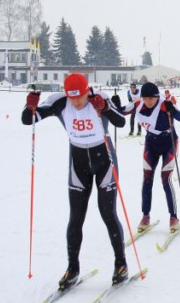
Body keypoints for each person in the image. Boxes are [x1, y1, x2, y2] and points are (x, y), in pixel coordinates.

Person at [21, 73, 129, 288]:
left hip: (104, 160)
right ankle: (72, 268)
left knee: (108, 213)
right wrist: (29, 107)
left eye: (79, 97)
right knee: (76, 217)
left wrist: (105, 108)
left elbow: (121, 122)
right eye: (72, 98)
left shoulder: (99, 97)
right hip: (78, 164)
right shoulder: (59, 102)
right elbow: (28, 120)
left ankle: (121, 263)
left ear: (86, 91)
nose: (77, 102)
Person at [122, 82, 180, 233]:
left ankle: (173, 217)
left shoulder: (164, 104)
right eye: (146, 98)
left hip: (169, 143)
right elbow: (121, 111)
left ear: (157, 97)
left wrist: (172, 109)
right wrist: (112, 104)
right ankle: (145, 216)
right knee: (147, 178)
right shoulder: (138, 104)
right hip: (151, 144)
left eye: (152, 98)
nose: (149, 101)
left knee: (165, 179)